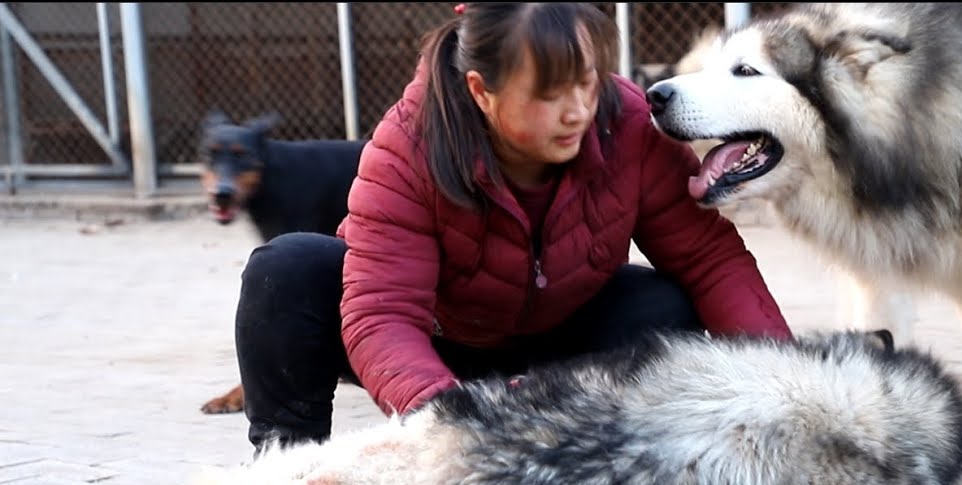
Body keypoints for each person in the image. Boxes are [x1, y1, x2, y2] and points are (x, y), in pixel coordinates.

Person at [233, 2, 793, 453]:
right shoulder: (408, 143)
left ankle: (603, 455)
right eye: (550, 94)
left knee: (664, 306)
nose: (577, 110)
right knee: (286, 271)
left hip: (558, 350)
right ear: (482, 90)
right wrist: (453, 423)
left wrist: (789, 386)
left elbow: (709, 260)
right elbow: (382, 315)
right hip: (436, 345)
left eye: (587, 81)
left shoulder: (624, 121)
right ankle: (285, 477)